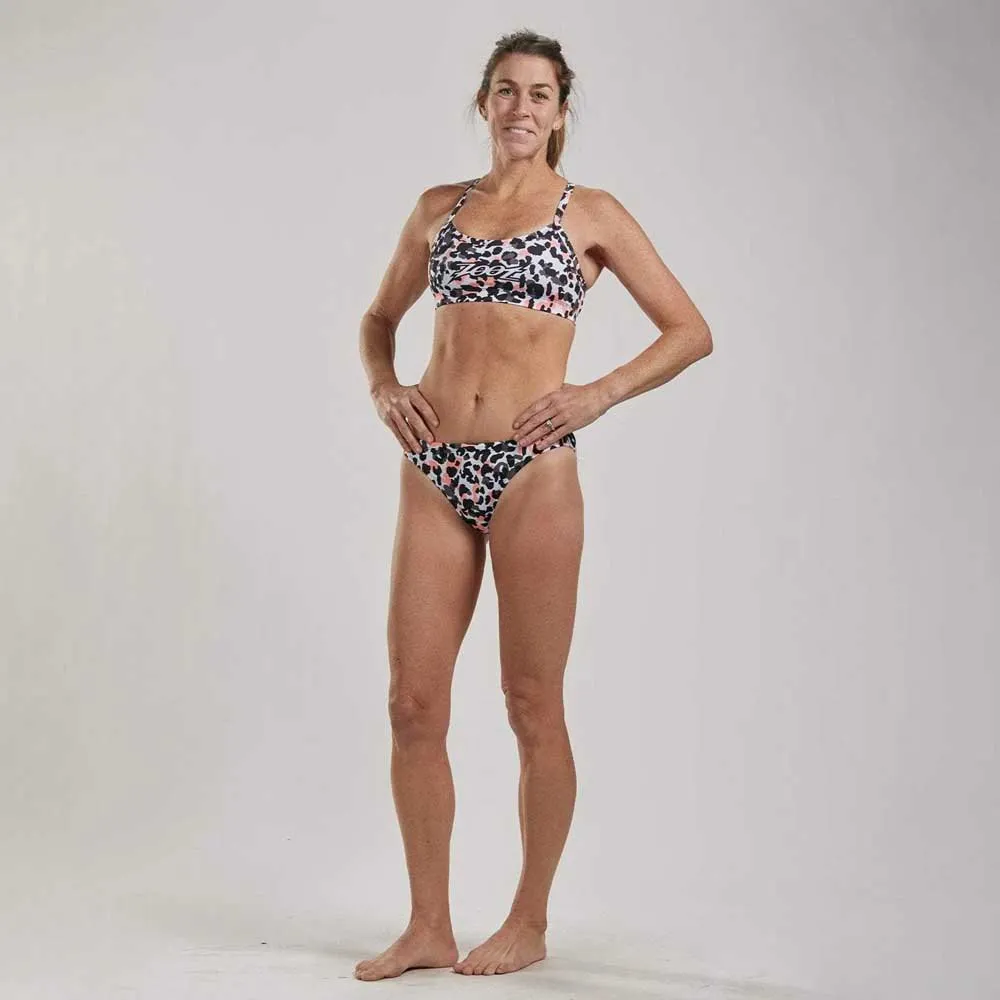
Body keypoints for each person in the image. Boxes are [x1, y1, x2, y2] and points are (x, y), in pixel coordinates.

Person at [355, 29, 713, 981]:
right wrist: (385, 387)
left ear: (560, 112)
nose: (521, 107)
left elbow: (690, 330)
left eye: (540, 94)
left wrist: (598, 394)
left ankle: (529, 920)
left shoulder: (589, 213)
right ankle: (428, 925)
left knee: (530, 701)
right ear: (484, 102)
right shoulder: (437, 210)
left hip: (533, 468)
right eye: (506, 90)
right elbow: (379, 319)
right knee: (412, 703)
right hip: (435, 467)